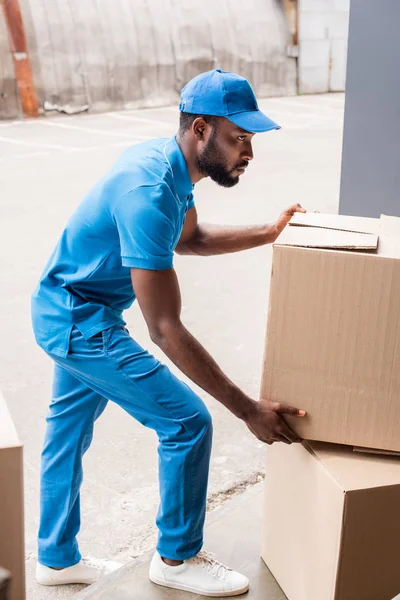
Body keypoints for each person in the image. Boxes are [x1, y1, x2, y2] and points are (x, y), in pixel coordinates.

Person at [31, 68, 306, 597]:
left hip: (71, 307)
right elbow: (164, 327)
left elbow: (193, 238)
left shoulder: (173, 170)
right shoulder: (150, 190)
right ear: (200, 129)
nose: (248, 153)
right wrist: (248, 409)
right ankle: (176, 559)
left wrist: (269, 232)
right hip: (76, 320)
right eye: (239, 139)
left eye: (249, 140)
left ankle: (56, 559)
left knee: (66, 436)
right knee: (186, 422)